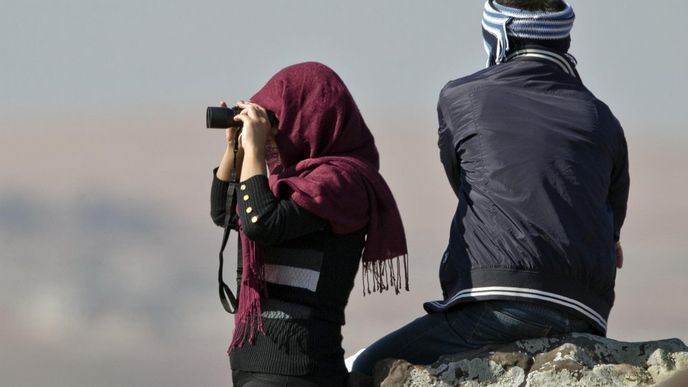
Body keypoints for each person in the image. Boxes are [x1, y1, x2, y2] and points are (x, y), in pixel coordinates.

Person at [351, 0, 630, 378]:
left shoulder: (461, 97)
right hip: (585, 312)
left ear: (499, 36)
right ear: (562, 39)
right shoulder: (603, 118)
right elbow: (611, 232)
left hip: (497, 303)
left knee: (367, 368)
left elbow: (467, 180)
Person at [209, 62, 408, 387]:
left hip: (300, 372)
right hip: (256, 371)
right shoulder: (289, 183)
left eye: (276, 123)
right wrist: (236, 151)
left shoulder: (343, 183)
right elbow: (225, 211)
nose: (271, 139)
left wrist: (256, 149)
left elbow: (262, 223)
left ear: (309, 119)